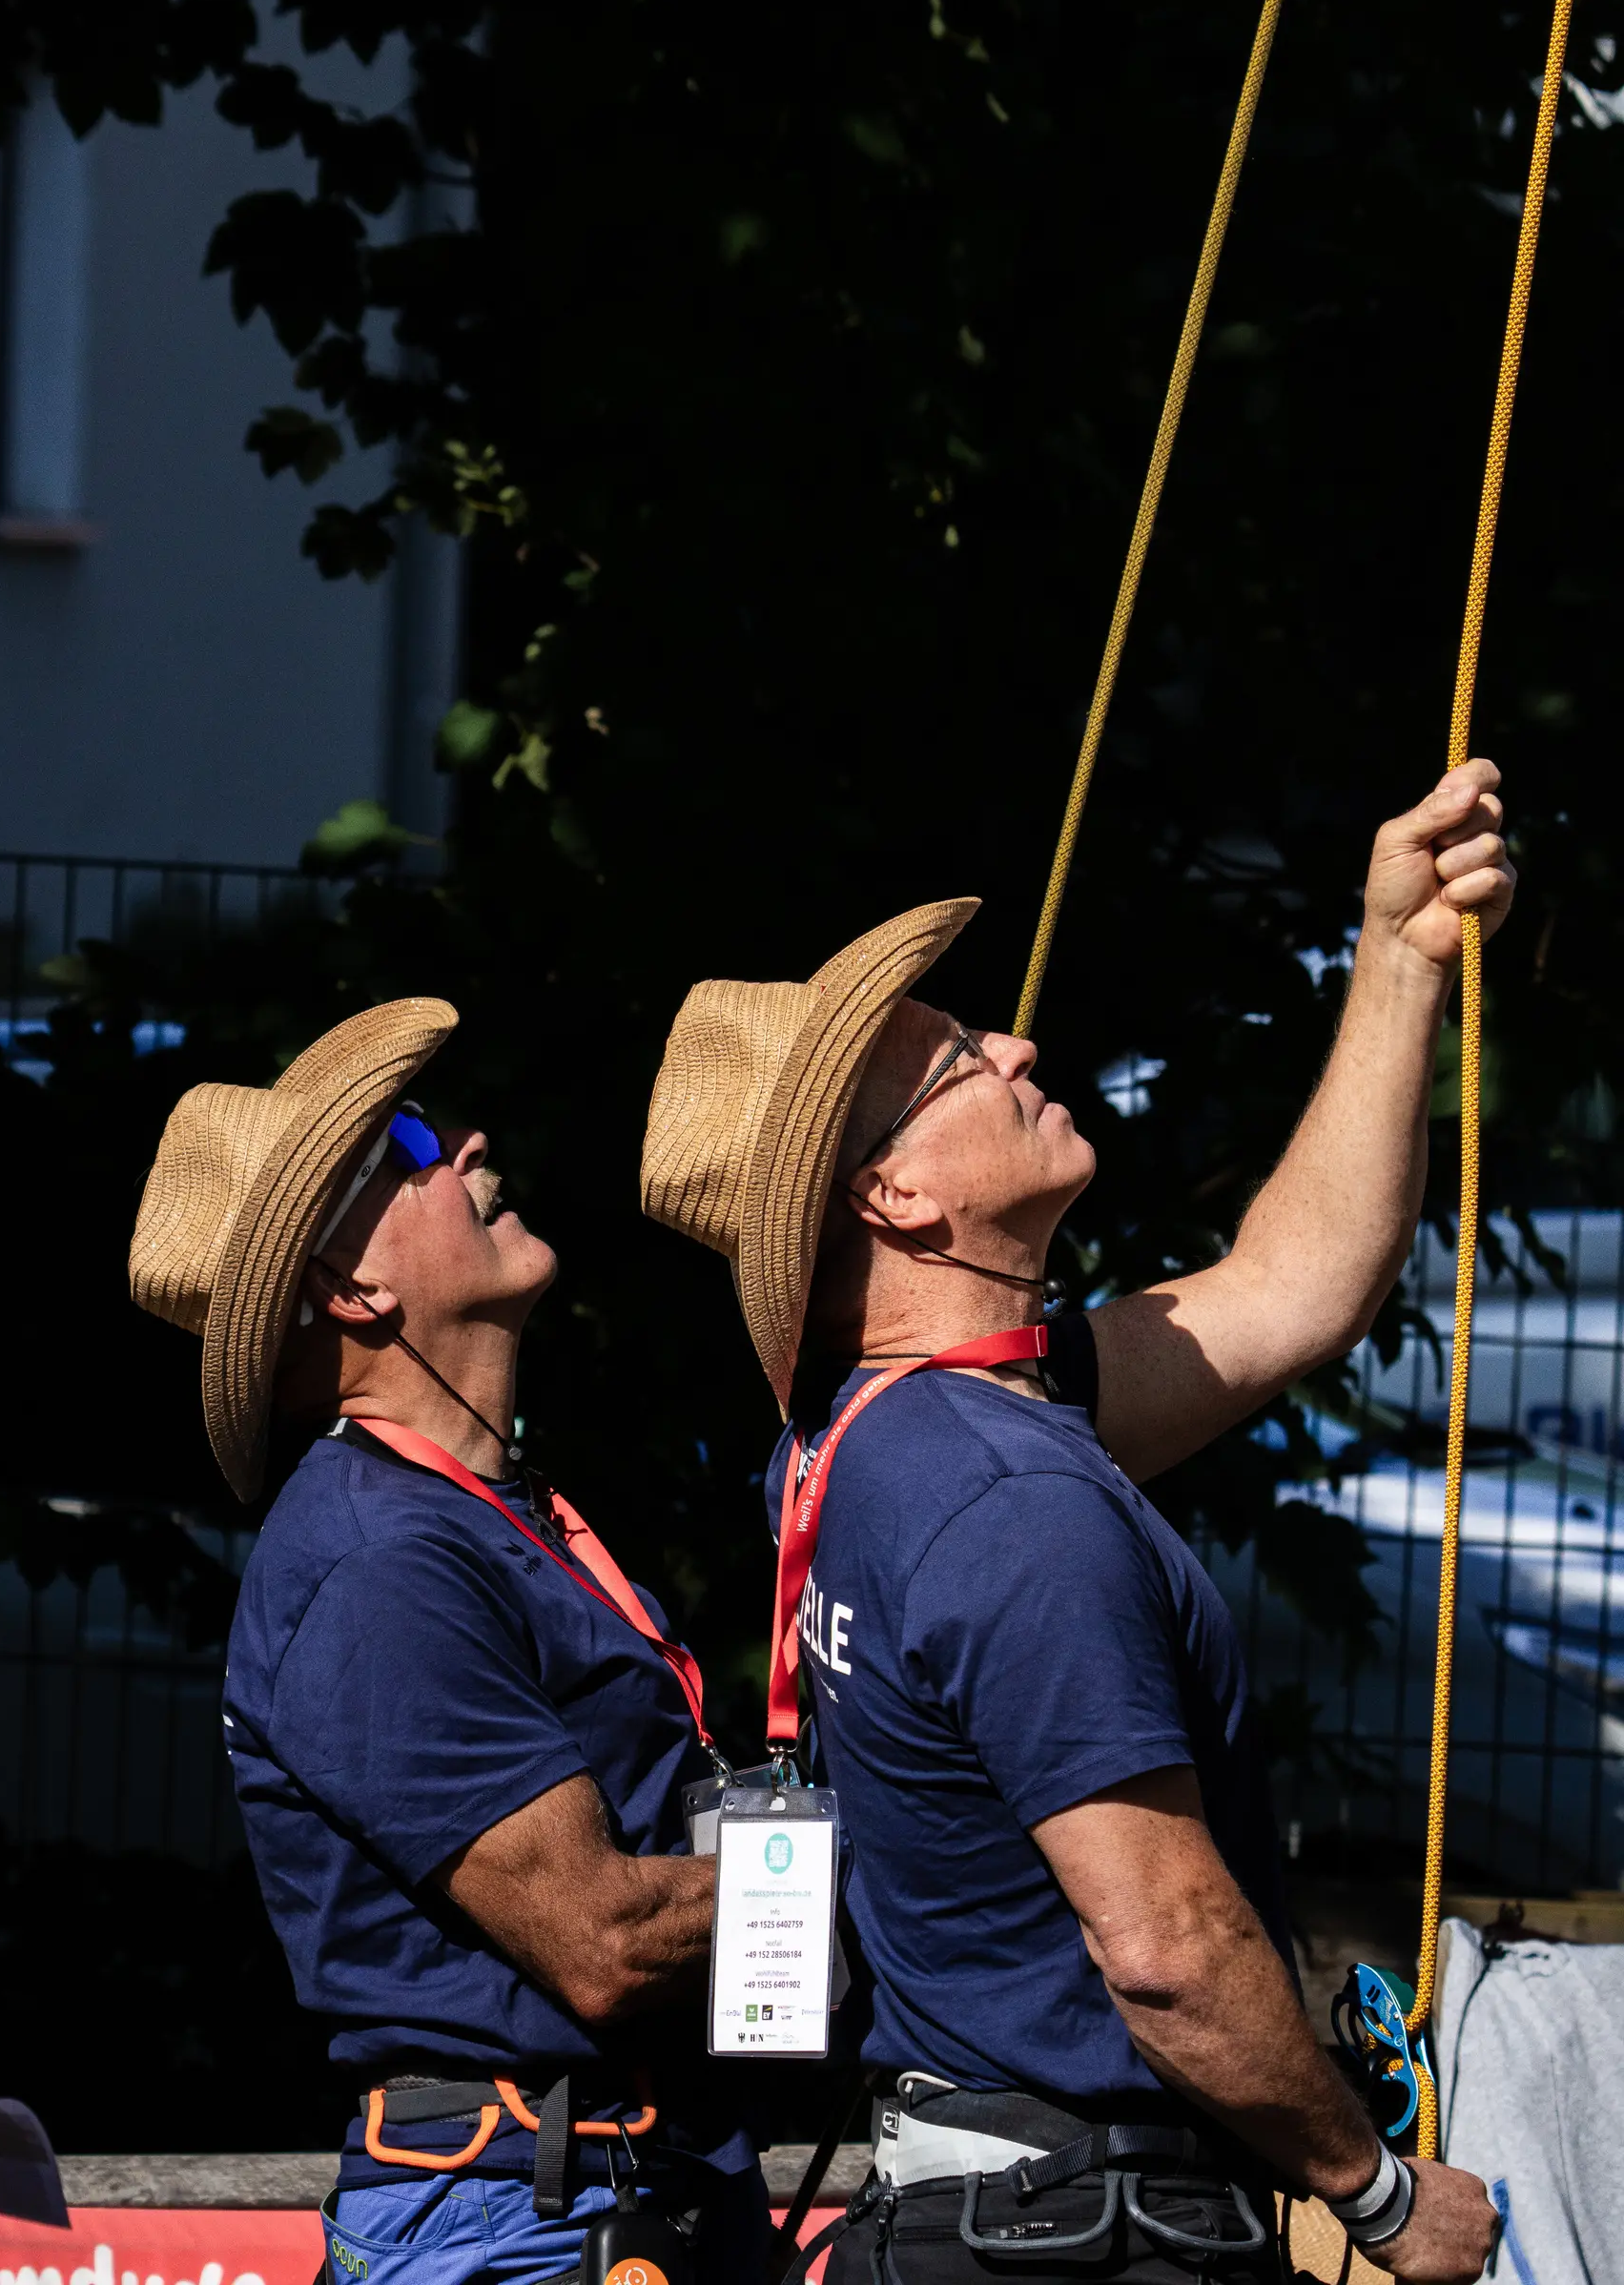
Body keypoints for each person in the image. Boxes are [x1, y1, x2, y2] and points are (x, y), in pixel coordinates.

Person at [640, 763, 1513, 2285]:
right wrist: (1375, 2193)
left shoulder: (867, 1441)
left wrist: (1398, 962)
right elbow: (1168, 1954)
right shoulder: (1011, 1496)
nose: (1019, 1044)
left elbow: (1286, 1291)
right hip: (1089, 2240)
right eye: (962, 1056)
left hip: (987, 2218)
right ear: (898, 1197)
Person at [130, 1000, 769, 2285]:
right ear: (351, 1288)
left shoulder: (476, 1519)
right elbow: (602, 1939)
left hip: (612, 2184)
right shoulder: (377, 1564)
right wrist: (901, 1875)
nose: (468, 1142)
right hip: (524, 2218)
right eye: (407, 1143)